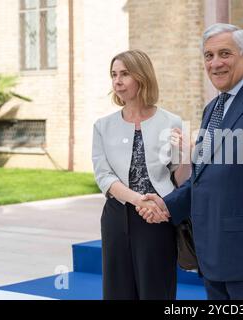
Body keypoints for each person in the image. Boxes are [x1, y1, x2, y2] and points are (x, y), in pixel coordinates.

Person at [138, 24, 243, 300]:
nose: (215, 63)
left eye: (225, 54)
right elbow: (202, 178)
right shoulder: (213, 108)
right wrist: (167, 204)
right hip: (214, 259)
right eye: (208, 56)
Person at [91, 49, 191, 300]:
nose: (117, 81)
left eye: (125, 74)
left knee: (157, 290)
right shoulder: (102, 126)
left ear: (142, 76)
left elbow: (179, 180)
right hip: (117, 216)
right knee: (117, 291)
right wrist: (138, 200)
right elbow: (104, 176)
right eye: (114, 75)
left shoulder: (171, 121)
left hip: (157, 218)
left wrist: (186, 155)